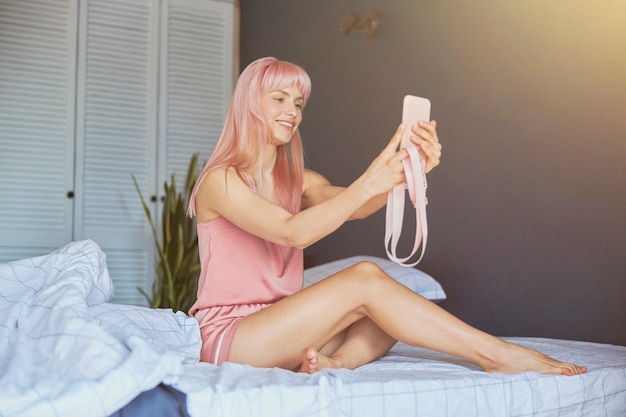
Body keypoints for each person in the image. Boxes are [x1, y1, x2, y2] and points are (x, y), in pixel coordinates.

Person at [187, 56, 586, 376]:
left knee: (393, 309)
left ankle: (336, 364)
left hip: (284, 330)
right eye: (279, 98)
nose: (292, 111)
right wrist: (369, 181)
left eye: (298, 103)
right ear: (249, 103)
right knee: (365, 278)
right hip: (233, 338)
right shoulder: (220, 181)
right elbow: (291, 233)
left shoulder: (302, 181)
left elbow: (357, 206)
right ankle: (497, 354)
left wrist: (409, 172)